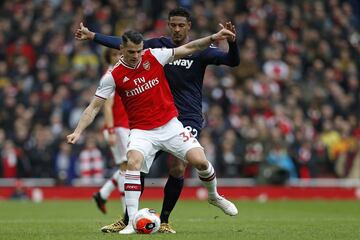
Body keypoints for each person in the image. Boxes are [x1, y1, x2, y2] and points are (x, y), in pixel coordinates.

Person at [75, 7, 240, 233]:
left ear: (189, 26)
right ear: (168, 24)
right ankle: (128, 220)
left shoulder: (198, 51)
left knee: (180, 166)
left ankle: (164, 220)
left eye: (181, 25)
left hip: (186, 116)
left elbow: (232, 61)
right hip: (153, 118)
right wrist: (93, 36)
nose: (177, 29)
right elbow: (123, 45)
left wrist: (231, 42)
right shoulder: (155, 47)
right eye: (173, 24)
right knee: (136, 168)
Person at [92, 48, 130, 215]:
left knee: (128, 166)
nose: (118, 57)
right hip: (117, 127)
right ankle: (126, 212)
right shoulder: (110, 76)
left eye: (119, 54)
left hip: (124, 126)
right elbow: (107, 106)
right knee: (126, 168)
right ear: (109, 57)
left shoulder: (121, 72)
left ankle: (103, 194)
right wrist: (111, 130)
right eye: (114, 54)